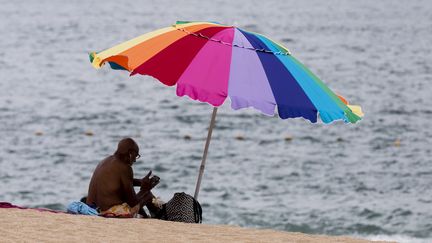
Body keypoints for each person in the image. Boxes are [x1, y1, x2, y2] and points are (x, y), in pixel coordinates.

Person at [86, 138, 160, 218]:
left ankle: (146, 217)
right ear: (130, 153)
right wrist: (145, 189)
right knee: (147, 195)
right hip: (108, 213)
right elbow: (133, 202)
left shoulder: (105, 161)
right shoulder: (125, 168)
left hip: (91, 209)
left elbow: (119, 181)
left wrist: (140, 182)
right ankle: (159, 215)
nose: (135, 160)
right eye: (136, 156)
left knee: (125, 195)